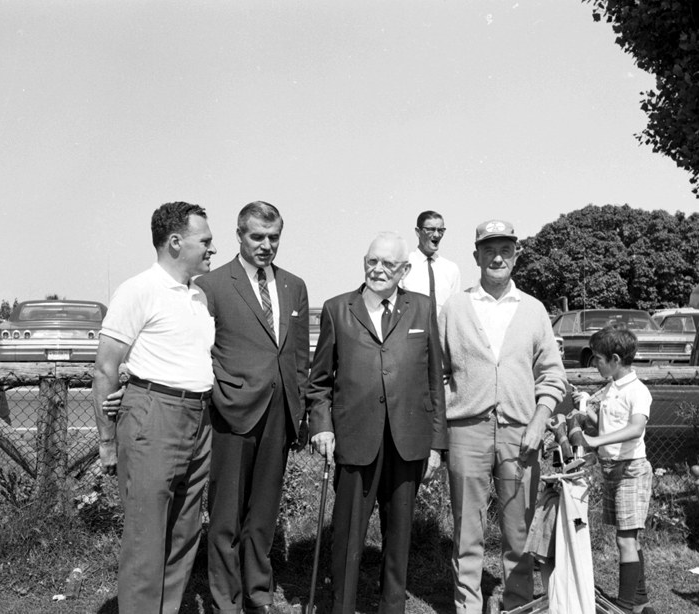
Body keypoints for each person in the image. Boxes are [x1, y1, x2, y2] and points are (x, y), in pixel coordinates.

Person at [308, 231, 447, 614]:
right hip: (355, 439)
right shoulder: (337, 309)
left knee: (399, 533)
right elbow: (318, 381)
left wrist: (437, 444)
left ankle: (392, 606)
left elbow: (434, 378)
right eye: (372, 261)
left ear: (404, 270)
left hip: (408, 440)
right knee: (348, 533)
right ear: (364, 262)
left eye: (388, 263)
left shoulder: (421, 308)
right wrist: (321, 424)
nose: (378, 269)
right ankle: (341, 606)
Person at [92, 202, 217, 613]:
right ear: (175, 241)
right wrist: (107, 440)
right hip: (154, 416)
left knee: (183, 534)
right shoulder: (138, 289)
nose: (212, 249)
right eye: (206, 241)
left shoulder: (198, 296)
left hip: (199, 418)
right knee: (147, 538)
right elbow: (106, 367)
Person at [438, 219, 567, 613]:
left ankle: (517, 605)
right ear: (476, 255)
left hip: (521, 434)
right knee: (467, 532)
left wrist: (539, 419)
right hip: (467, 432)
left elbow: (552, 374)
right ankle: (468, 606)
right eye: (489, 249)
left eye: (506, 250)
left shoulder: (533, 309)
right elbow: (437, 371)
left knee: (519, 532)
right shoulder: (455, 307)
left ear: (516, 256)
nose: (497, 257)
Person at [196, 201, 309, 614]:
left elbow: (297, 355)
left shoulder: (293, 285)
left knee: (263, 514)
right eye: (256, 237)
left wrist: (301, 412)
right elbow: (199, 351)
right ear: (239, 235)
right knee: (225, 516)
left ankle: (259, 596)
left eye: (273, 237)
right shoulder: (211, 285)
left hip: (279, 415)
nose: (266, 245)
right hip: (233, 414)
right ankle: (226, 601)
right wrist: (221, 394)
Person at [573, 324, 655, 614]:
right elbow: (608, 424)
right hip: (612, 469)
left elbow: (634, 429)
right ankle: (641, 601)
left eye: (598, 358)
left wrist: (595, 440)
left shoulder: (637, 390)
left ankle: (623, 606)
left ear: (616, 360)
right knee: (628, 537)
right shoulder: (610, 388)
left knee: (625, 539)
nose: (594, 363)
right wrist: (586, 409)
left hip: (631, 470)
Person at [400, 210, 460, 315]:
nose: (437, 235)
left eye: (441, 230)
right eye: (431, 230)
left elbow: (454, 309)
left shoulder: (451, 269)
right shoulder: (403, 265)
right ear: (418, 232)